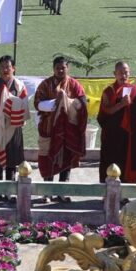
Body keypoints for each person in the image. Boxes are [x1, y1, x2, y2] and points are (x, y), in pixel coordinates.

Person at [34, 56, 88, 198]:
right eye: (57, 68)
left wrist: (66, 101)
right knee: (48, 159)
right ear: (53, 69)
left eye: (63, 68)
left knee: (66, 160)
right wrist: (55, 103)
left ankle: (62, 192)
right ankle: (47, 193)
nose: (60, 70)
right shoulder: (45, 84)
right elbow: (37, 103)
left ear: (67, 68)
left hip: (68, 130)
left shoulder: (75, 85)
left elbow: (83, 103)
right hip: (48, 129)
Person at [0, 55, 29, 199]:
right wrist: (1, 101)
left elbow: (24, 105)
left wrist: (9, 104)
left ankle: (10, 192)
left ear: (13, 68)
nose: (5, 70)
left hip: (13, 128)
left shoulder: (19, 86)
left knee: (12, 161)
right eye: (2, 67)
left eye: (7, 66)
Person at [97, 60, 136, 183]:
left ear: (129, 73)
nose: (123, 75)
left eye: (126, 72)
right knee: (111, 163)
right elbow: (105, 111)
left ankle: (126, 188)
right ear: (114, 74)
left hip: (129, 135)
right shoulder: (109, 91)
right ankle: (109, 189)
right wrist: (121, 104)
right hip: (112, 135)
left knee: (127, 163)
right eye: (120, 73)